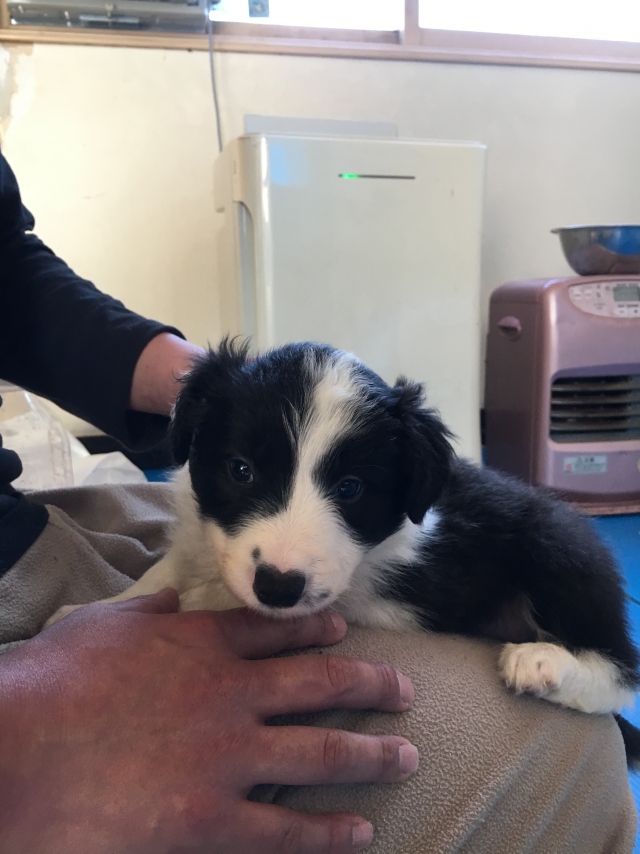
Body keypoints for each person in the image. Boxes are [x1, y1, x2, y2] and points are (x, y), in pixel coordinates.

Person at [0, 149, 636, 854]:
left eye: (350, 489)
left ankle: (607, 675)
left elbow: (9, 262)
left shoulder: (417, 520)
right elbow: (182, 569)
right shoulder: (212, 477)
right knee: (580, 765)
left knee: (559, 549)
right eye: (243, 470)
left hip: (493, 604)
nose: (285, 554)